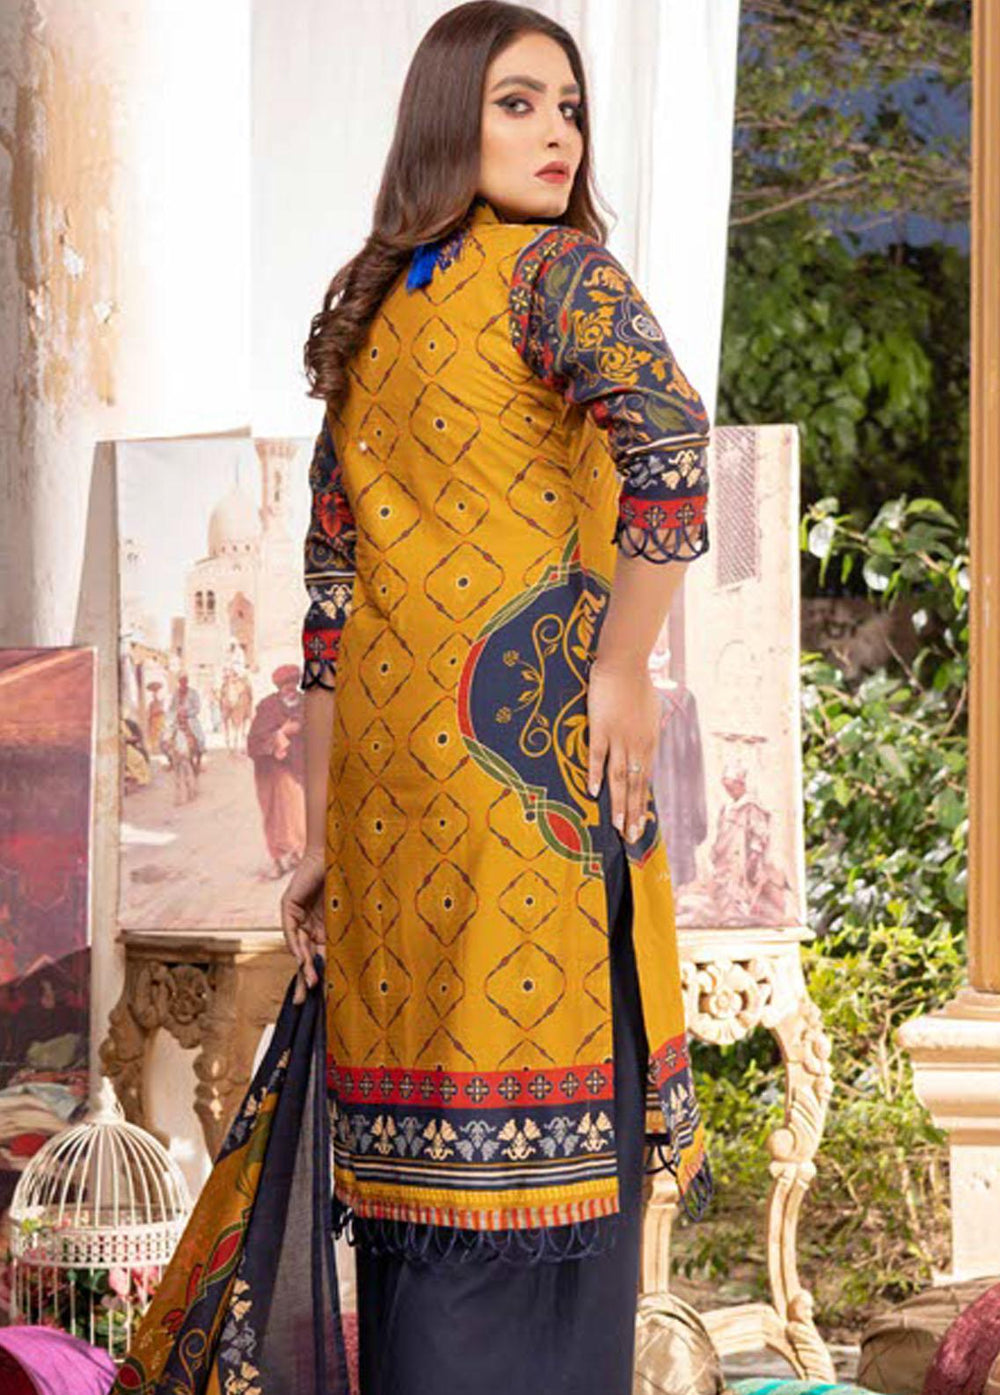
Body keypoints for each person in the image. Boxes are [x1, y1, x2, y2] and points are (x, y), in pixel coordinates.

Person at [281, 3, 716, 1391]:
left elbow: (333, 603)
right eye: (518, 102)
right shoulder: (556, 273)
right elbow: (671, 442)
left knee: (417, 1234)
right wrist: (622, 665)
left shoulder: (370, 310)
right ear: (447, 117)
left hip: (396, 829)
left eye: (570, 107)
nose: (556, 133)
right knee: (544, 1239)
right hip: (529, 803)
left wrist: (321, 834)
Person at [246, 663, 308, 877]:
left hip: (298, 768)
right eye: (285, 685)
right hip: (270, 770)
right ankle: (277, 860)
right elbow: (254, 741)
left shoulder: (306, 704)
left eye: (293, 683)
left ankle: (298, 854)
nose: (290, 689)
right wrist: (280, 735)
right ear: (279, 687)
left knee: (298, 813)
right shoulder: (267, 706)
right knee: (273, 815)